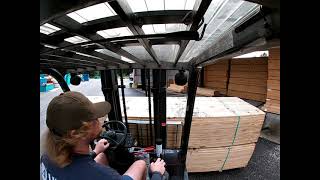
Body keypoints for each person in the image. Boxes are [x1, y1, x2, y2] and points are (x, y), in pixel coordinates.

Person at [40, 91, 166, 180]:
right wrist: (156, 173)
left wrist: (94, 152)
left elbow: (75, 168)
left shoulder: (46, 158)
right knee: (140, 164)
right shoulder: (102, 175)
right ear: (76, 133)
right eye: (94, 118)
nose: (99, 119)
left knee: (101, 157)